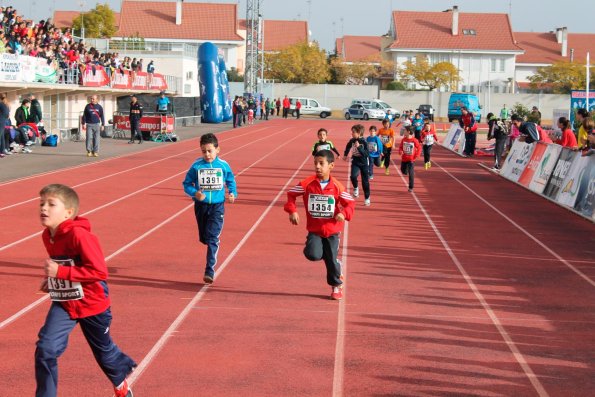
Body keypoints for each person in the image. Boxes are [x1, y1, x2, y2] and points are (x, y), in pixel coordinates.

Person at [35, 184, 136, 397]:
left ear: (68, 213)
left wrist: (60, 273)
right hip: (65, 303)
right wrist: (51, 279)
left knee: (104, 354)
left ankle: (121, 385)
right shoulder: (48, 235)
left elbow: (99, 271)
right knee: (46, 349)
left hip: (93, 305)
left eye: (51, 204)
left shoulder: (80, 236)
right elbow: (64, 264)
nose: (43, 208)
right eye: (41, 203)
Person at [284, 150, 355, 300]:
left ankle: (336, 285)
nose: (317, 166)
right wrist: (292, 211)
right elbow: (291, 195)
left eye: (321, 163)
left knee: (331, 259)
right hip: (315, 230)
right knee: (312, 254)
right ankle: (333, 260)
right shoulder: (306, 184)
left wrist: (344, 213)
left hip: (332, 230)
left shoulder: (337, 186)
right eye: (315, 163)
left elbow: (350, 203)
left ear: (331, 166)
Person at [182, 133, 237, 284]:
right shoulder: (197, 166)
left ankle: (209, 270)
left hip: (217, 207)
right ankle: (208, 242)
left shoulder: (224, 166)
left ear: (217, 149)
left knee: (213, 238)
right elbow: (186, 184)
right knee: (205, 237)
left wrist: (233, 193)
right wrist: (195, 193)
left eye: (209, 151)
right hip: (201, 207)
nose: (207, 154)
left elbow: (231, 180)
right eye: (203, 151)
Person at [343, 124, 371, 206]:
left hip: (364, 163)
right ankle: (355, 188)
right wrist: (345, 154)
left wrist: (359, 147)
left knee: (365, 182)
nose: (351, 133)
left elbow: (366, 154)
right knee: (353, 176)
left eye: (353, 132)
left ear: (359, 133)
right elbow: (348, 146)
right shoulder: (352, 140)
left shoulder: (364, 142)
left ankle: (367, 198)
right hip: (355, 161)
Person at [399, 126, 421, 192]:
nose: (404, 132)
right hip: (404, 158)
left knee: (411, 173)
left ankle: (411, 187)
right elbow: (400, 147)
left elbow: (419, 148)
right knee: (403, 171)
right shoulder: (403, 139)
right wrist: (400, 151)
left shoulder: (414, 140)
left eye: (405, 130)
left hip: (411, 159)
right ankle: (406, 170)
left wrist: (417, 154)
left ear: (408, 132)